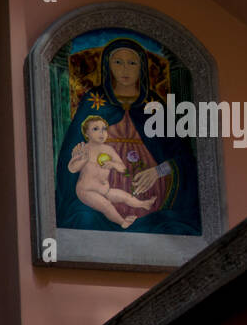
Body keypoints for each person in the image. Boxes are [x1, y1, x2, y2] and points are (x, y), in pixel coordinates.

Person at [55, 37, 201, 234]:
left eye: (132, 63)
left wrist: (158, 171)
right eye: (118, 62)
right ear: (107, 66)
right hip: (97, 194)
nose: (125, 69)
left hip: (153, 197)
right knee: (84, 220)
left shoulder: (154, 104)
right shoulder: (94, 100)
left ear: (142, 67)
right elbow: (71, 149)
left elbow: (181, 156)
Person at [69, 115, 156, 228]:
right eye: (95, 129)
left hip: (105, 190)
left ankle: (143, 204)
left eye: (104, 129)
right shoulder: (83, 149)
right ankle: (123, 222)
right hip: (86, 191)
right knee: (106, 204)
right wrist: (83, 160)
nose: (101, 132)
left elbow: (123, 168)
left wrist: (113, 164)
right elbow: (72, 168)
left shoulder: (109, 150)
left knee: (124, 196)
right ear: (86, 133)